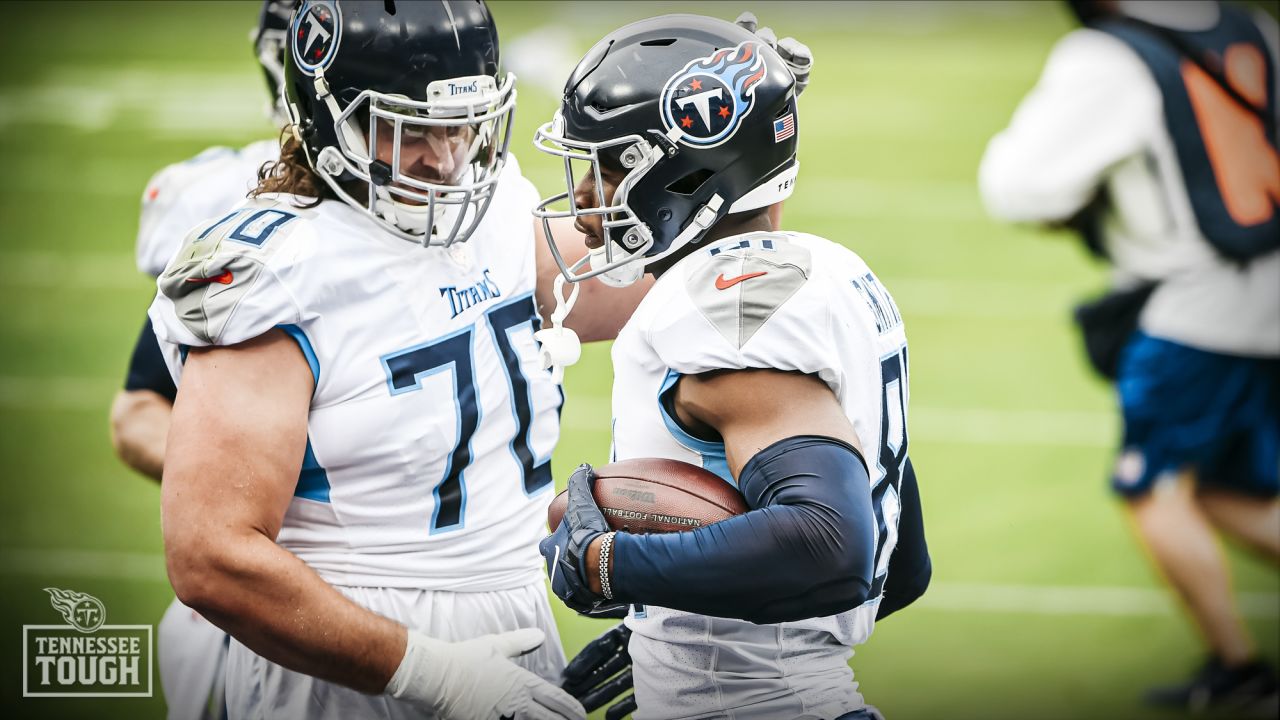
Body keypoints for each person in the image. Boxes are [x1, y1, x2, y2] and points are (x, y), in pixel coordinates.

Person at [148, 1, 648, 718]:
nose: (446, 159)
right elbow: (210, 556)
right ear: (332, 116)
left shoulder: (500, 202)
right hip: (346, 654)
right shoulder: (279, 270)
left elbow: (635, 294)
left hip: (515, 622)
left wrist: (736, 165)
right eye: (412, 129)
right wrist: (434, 673)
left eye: (464, 123)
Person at [535, 15, 931, 720]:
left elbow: (829, 542)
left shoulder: (722, 304)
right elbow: (902, 567)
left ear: (684, 171)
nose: (588, 206)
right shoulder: (833, 271)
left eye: (609, 165)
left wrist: (609, 565)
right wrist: (681, 624)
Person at [979, 0, 1279, 713]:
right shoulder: (1249, 25)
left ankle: (1239, 671)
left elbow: (1020, 187)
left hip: (1201, 301)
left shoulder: (1108, 56)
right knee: (1226, 491)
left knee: (1150, 484)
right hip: (1264, 285)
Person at [108, 3, 293, 718]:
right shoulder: (243, 210)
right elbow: (137, 412)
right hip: (255, 620)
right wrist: (240, 487)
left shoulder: (481, 218)